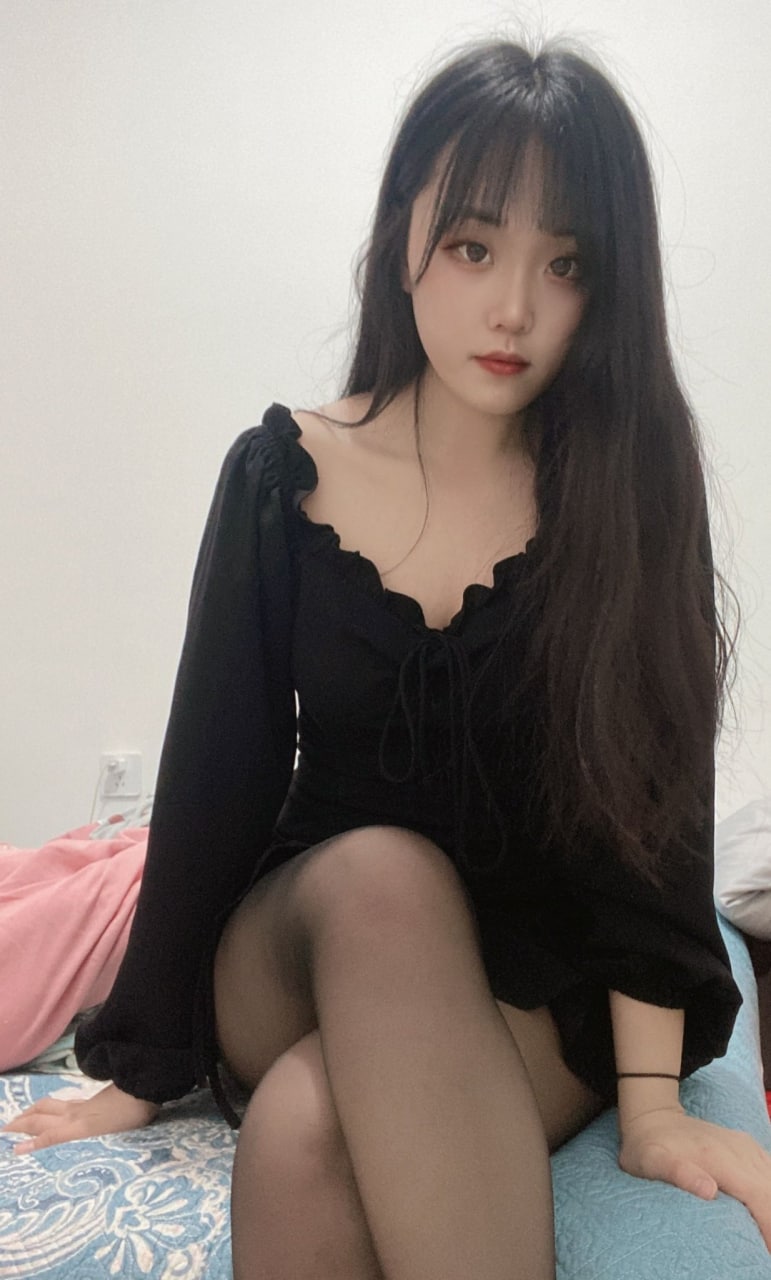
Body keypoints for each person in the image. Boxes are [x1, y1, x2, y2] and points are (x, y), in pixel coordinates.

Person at [5, 34, 771, 1280]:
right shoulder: (282, 474)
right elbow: (214, 779)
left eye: (565, 264)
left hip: (528, 978)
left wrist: (651, 1105)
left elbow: (648, 818)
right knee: (381, 875)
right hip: (301, 940)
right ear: (402, 232)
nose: (513, 307)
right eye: (472, 247)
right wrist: (138, 1071)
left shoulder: (628, 495)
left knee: (306, 1128)